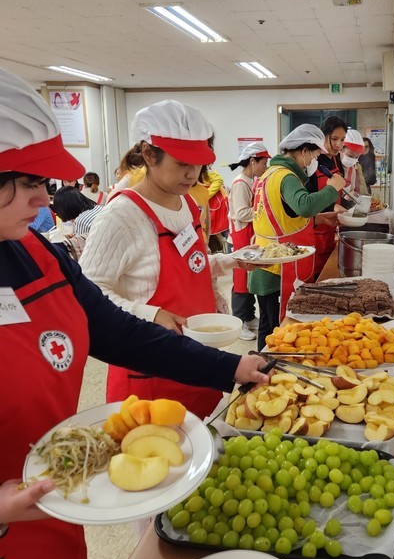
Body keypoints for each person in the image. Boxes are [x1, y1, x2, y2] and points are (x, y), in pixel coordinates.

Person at [0, 69, 271, 559]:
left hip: (53, 507)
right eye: (23, 181)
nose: (45, 199)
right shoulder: (118, 217)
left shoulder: (36, 256)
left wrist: (229, 368)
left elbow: (117, 330)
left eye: (44, 180)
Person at [80, 100, 259, 418]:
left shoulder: (187, 203)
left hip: (197, 359)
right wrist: (148, 312)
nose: (192, 174)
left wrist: (230, 261)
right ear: (149, 155)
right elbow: (86, 294)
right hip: (149, 374)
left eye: (199, 164)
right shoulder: (122, 216)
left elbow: (193, 263)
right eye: (182, 164)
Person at [249, 124, 346, 350]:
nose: (315, 160)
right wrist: (332, 189)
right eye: (315, 155)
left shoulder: (269, 174)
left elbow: (282, 217)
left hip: (265, 260)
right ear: (303, 151)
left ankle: (264, 366)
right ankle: (267, 371)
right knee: (275, 331)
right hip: (277, 268)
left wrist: (320, 219)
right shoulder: (287, 176)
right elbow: (303, 206)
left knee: (268, 324)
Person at [227, 142, 271, 340]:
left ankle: (249, 316)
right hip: (238, 237)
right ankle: (239, 321)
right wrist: (263, 212)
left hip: (247, 237)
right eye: (264, 163)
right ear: (253, 161)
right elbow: (241, 213)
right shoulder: (240, 184)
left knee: (249, 277)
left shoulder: (250, 181)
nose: (265, 167)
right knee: (240, 282)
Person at [306, 115, 348, 277]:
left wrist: (353, 207)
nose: (338, 145)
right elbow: (308, 200)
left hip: (331, 228)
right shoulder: (312, 162)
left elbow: (337, 194)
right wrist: (331, 206)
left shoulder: (337, 161)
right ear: (323, 136)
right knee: (314, 275)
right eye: (334, 139)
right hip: (314, 230)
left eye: (342, 140)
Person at [340, 128, 369, 206]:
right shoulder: (332, 166)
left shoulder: (352, 168)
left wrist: (352, 195)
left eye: (357, 157)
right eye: (350, 155)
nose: (353, 160)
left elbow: (352, 190)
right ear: (341, 149)